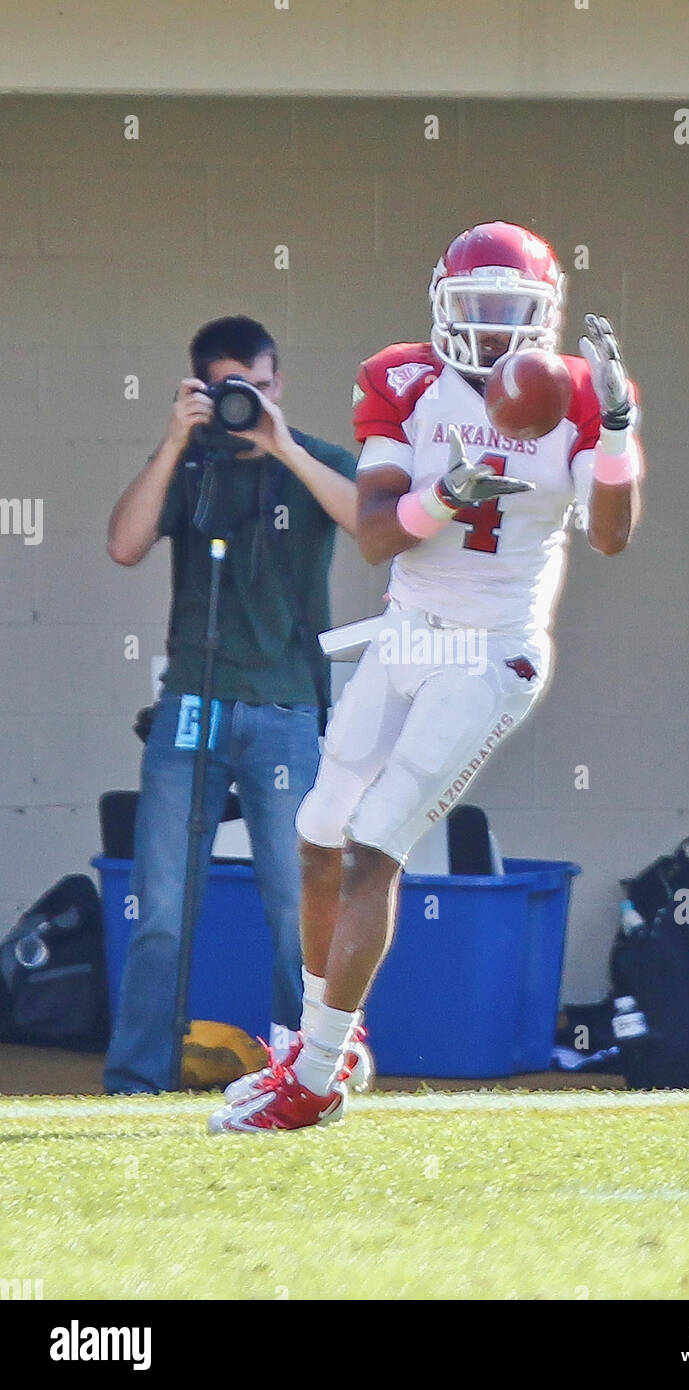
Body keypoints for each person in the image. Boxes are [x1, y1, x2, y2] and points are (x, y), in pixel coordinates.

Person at [209, 223, 645, 1134]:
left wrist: (616, 431)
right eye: (474, 307)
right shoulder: (403, 377)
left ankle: (315, 1080)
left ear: (542, 317)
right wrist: (448, 494)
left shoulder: (577, 395)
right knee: (318, 832)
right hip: (408, 629)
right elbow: (375, 535)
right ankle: (332, 1040)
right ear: (444, 306)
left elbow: (611, 536)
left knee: (375, 843)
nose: (488, 329)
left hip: (491, 651)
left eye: (508, 311)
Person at [104, 315, 358, 1094]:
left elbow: (371, 524)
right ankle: (136, 1082)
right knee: (162, 910)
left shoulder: (314, 460)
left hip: (285, 711)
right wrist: (173, 441)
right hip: (193, 702)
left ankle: (301, 1076)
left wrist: (282, 445)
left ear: (279, 384)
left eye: (262, 386)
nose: (250, 401)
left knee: (296, 911)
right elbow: (124, 544)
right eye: (232, 390)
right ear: (201, 390)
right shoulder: (190, 466)